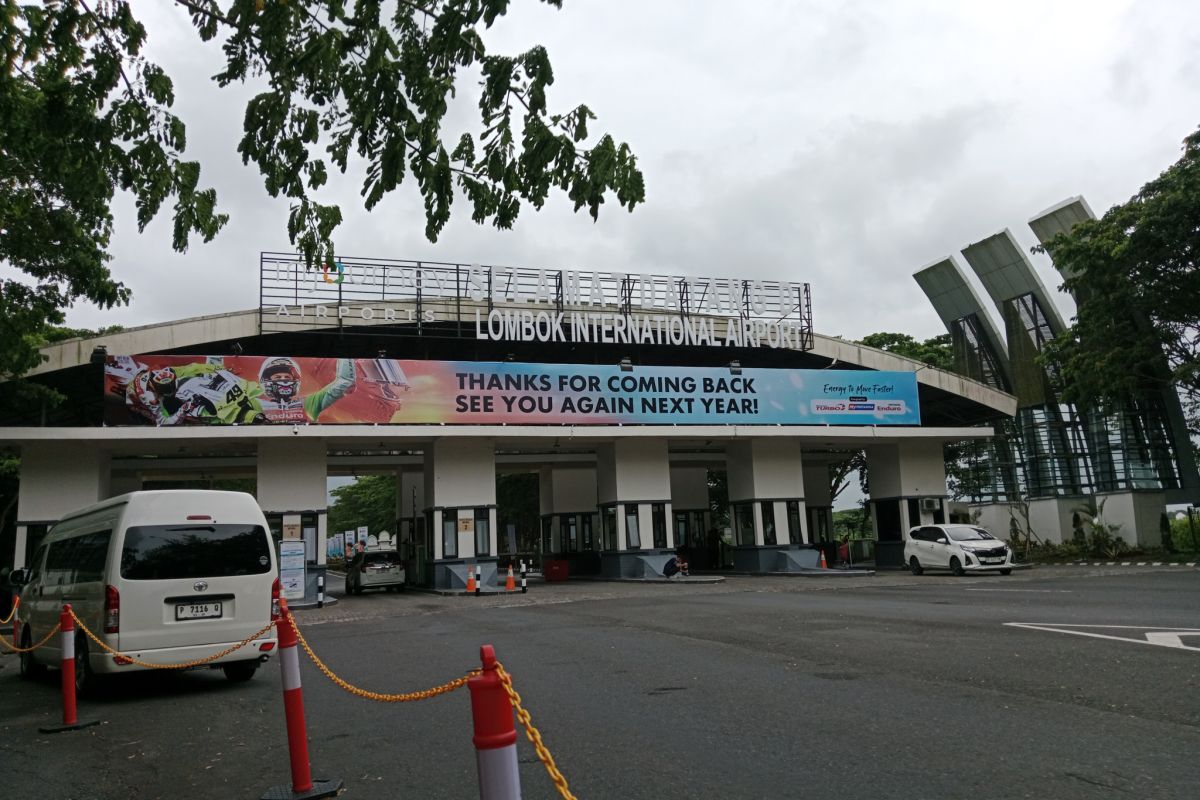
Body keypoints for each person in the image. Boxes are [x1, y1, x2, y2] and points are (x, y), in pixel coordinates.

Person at [258, 356, 356, 423]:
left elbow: (345, 381)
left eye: (287, 377)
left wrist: (346, 354)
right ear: (265, 381)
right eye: (278, 377)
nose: (283, 381)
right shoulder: (254, 403)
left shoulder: (307, 403)